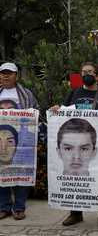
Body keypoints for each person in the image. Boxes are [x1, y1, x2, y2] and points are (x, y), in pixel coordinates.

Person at [50, 62, 98, 227]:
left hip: (97, 145)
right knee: (76, 179)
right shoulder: (75, 92)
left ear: (97, 76)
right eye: (83, 72)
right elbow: (64, 114)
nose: (86, 75)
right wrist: (56, 110)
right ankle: (76, 214)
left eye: (90, 72)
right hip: (76, 142)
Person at [0, 62, 40, 221]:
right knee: (1, 173)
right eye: (3, 73)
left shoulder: (26, 95)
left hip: (21, 143)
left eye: (10, 73)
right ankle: (4, 207)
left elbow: (37, 112)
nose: (6, 76)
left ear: (16, 76)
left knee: (21, 172)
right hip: (1, 141)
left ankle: (19, 208)